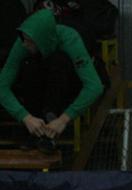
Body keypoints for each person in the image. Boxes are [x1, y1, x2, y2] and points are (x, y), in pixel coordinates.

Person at [0, 8, 103, 149]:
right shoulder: (22, 42)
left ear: (41, 40)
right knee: (28, 64)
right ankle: (35, 128)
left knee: (59, 60)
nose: (24, 44)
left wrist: (64, 119)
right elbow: (2, 86)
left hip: (66, 83)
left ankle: (51, 118)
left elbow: (95, 86)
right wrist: (25, 117)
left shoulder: (71, 39)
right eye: (24, 40)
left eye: (29, 41)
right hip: (38, 86)